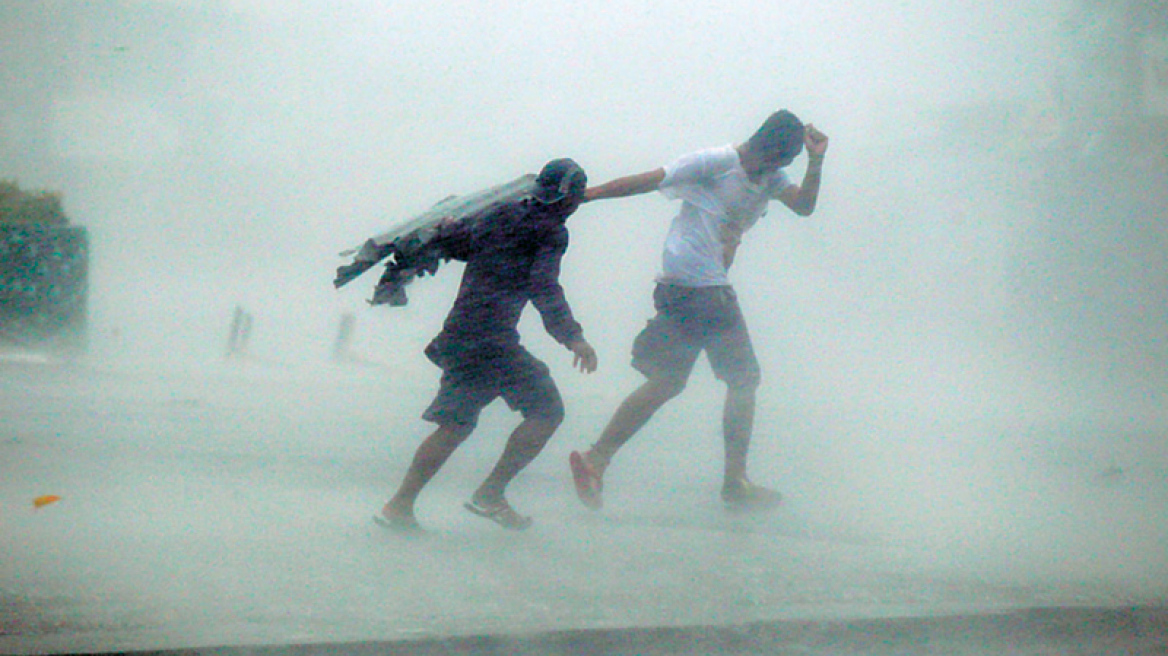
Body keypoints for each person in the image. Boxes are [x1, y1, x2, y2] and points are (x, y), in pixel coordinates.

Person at [568, 110, 828, 513]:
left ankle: (596, 459)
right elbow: (647, 180)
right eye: (783, 157)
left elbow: (804, 206)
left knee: (668, 382)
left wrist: (817, 160)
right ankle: (735, 482)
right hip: (699, 286)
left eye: (790, 162)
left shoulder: (770, 176)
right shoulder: (716, 162)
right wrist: (587, 196)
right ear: (765, 146)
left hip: (682, 287)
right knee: (744, 378)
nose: (781, 168)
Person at [379, 158, 598, 532]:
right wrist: (573, 337)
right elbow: (543, 286)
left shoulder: (500, 214)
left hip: (462, 333)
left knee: (455, 426)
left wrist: (447, 231)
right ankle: (489, 494)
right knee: (547, 411)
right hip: (492, 341)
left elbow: (464, 246)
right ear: (570, 200)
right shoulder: (550, 231)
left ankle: (399, 506)